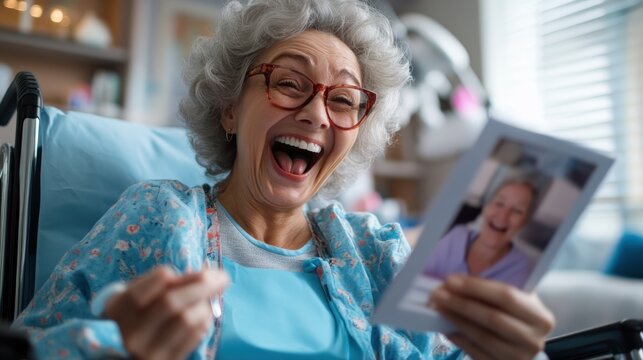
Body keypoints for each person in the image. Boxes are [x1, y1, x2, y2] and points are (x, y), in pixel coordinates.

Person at [13, 0, 554, 359]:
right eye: (290, 83)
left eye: (343, 100)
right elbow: (28, 345)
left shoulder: (375, 252)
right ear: (230, 109)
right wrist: (111, 348)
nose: (318, 114)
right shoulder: (155, 216)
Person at [424, 177, 538, 288]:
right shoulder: (454, 237)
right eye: (499, 203)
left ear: (524, 223)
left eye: (517, 210)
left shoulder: (519, 268)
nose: (503, 216)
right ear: (486, 207)